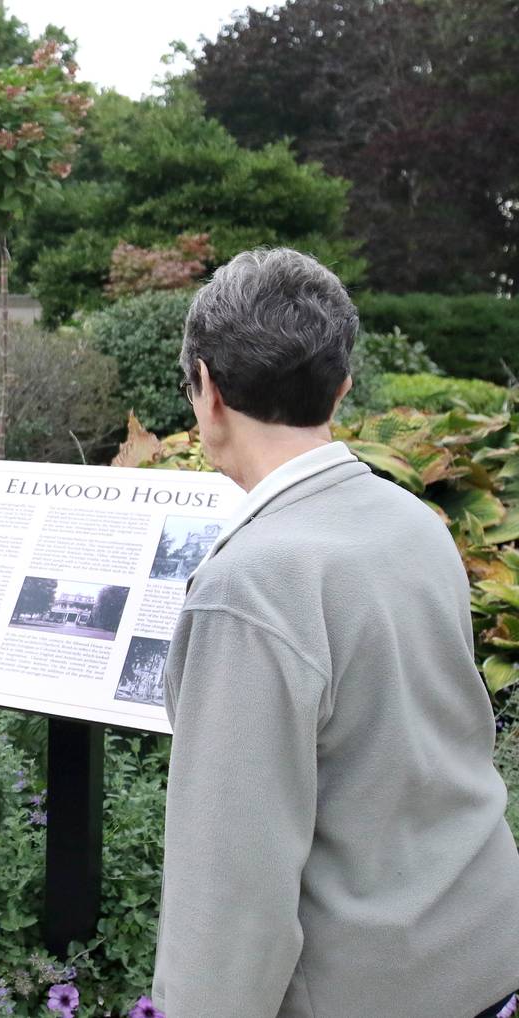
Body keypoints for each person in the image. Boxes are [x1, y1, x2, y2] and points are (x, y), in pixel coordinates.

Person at [153, 247, 519, 1017]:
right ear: (342, 386)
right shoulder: (411, 520)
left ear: (207, 391)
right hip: (481, 953)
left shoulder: (250, 587)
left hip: (361, 991)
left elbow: (231, 890)